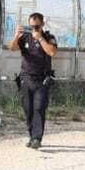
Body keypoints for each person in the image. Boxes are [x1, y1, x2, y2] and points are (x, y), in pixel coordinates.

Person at [8, 12, 58, 148]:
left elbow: (52, 52)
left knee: (39, 108)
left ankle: (37, 138)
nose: (34, 29)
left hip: (41, 80)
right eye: (31, 26)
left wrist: (40, 39)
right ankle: (32, 136)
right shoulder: (25, 37)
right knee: (28, 109)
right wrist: (16, 36)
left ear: (42, 24)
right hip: (26, 78)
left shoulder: (48, 37)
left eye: (36, 26)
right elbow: (12, 48)